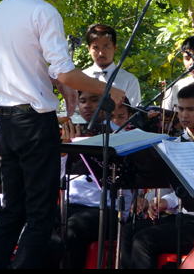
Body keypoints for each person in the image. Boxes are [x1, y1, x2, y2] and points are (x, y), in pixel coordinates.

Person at [0, 0, 125, 269]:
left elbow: (28, 65)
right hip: (35, 124)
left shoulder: (0, 10)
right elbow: (64, 72)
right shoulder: (44, 12)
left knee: (11, 212)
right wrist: (108, 90)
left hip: (8, 122)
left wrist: (57, 82)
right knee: (40, 217)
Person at [120, 84, 194, 269]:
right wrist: (149, 200)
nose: (184, 115)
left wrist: (166, 201)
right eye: (180, 109)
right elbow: (167, 183)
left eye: (190, 109)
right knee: (128, 230)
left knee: (144, 240)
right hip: (177, 215)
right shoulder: (175, 142)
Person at [59, 90, 133, 269]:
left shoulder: (120, 136)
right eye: (82, 101)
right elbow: (56, 180)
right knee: (37, 221)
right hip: (70, 205)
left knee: (72, 229)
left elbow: (127, 183)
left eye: (94, 100)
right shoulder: (69, 132)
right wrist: (63, 151)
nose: (87, 105)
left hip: (106, 210)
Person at [83, 24, 141, 107]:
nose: (101, 53)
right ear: (89, 49)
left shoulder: (129, 81)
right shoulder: (81, 78)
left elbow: (134, 113)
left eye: (106, 47)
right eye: (95, 47)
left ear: (115, 48)